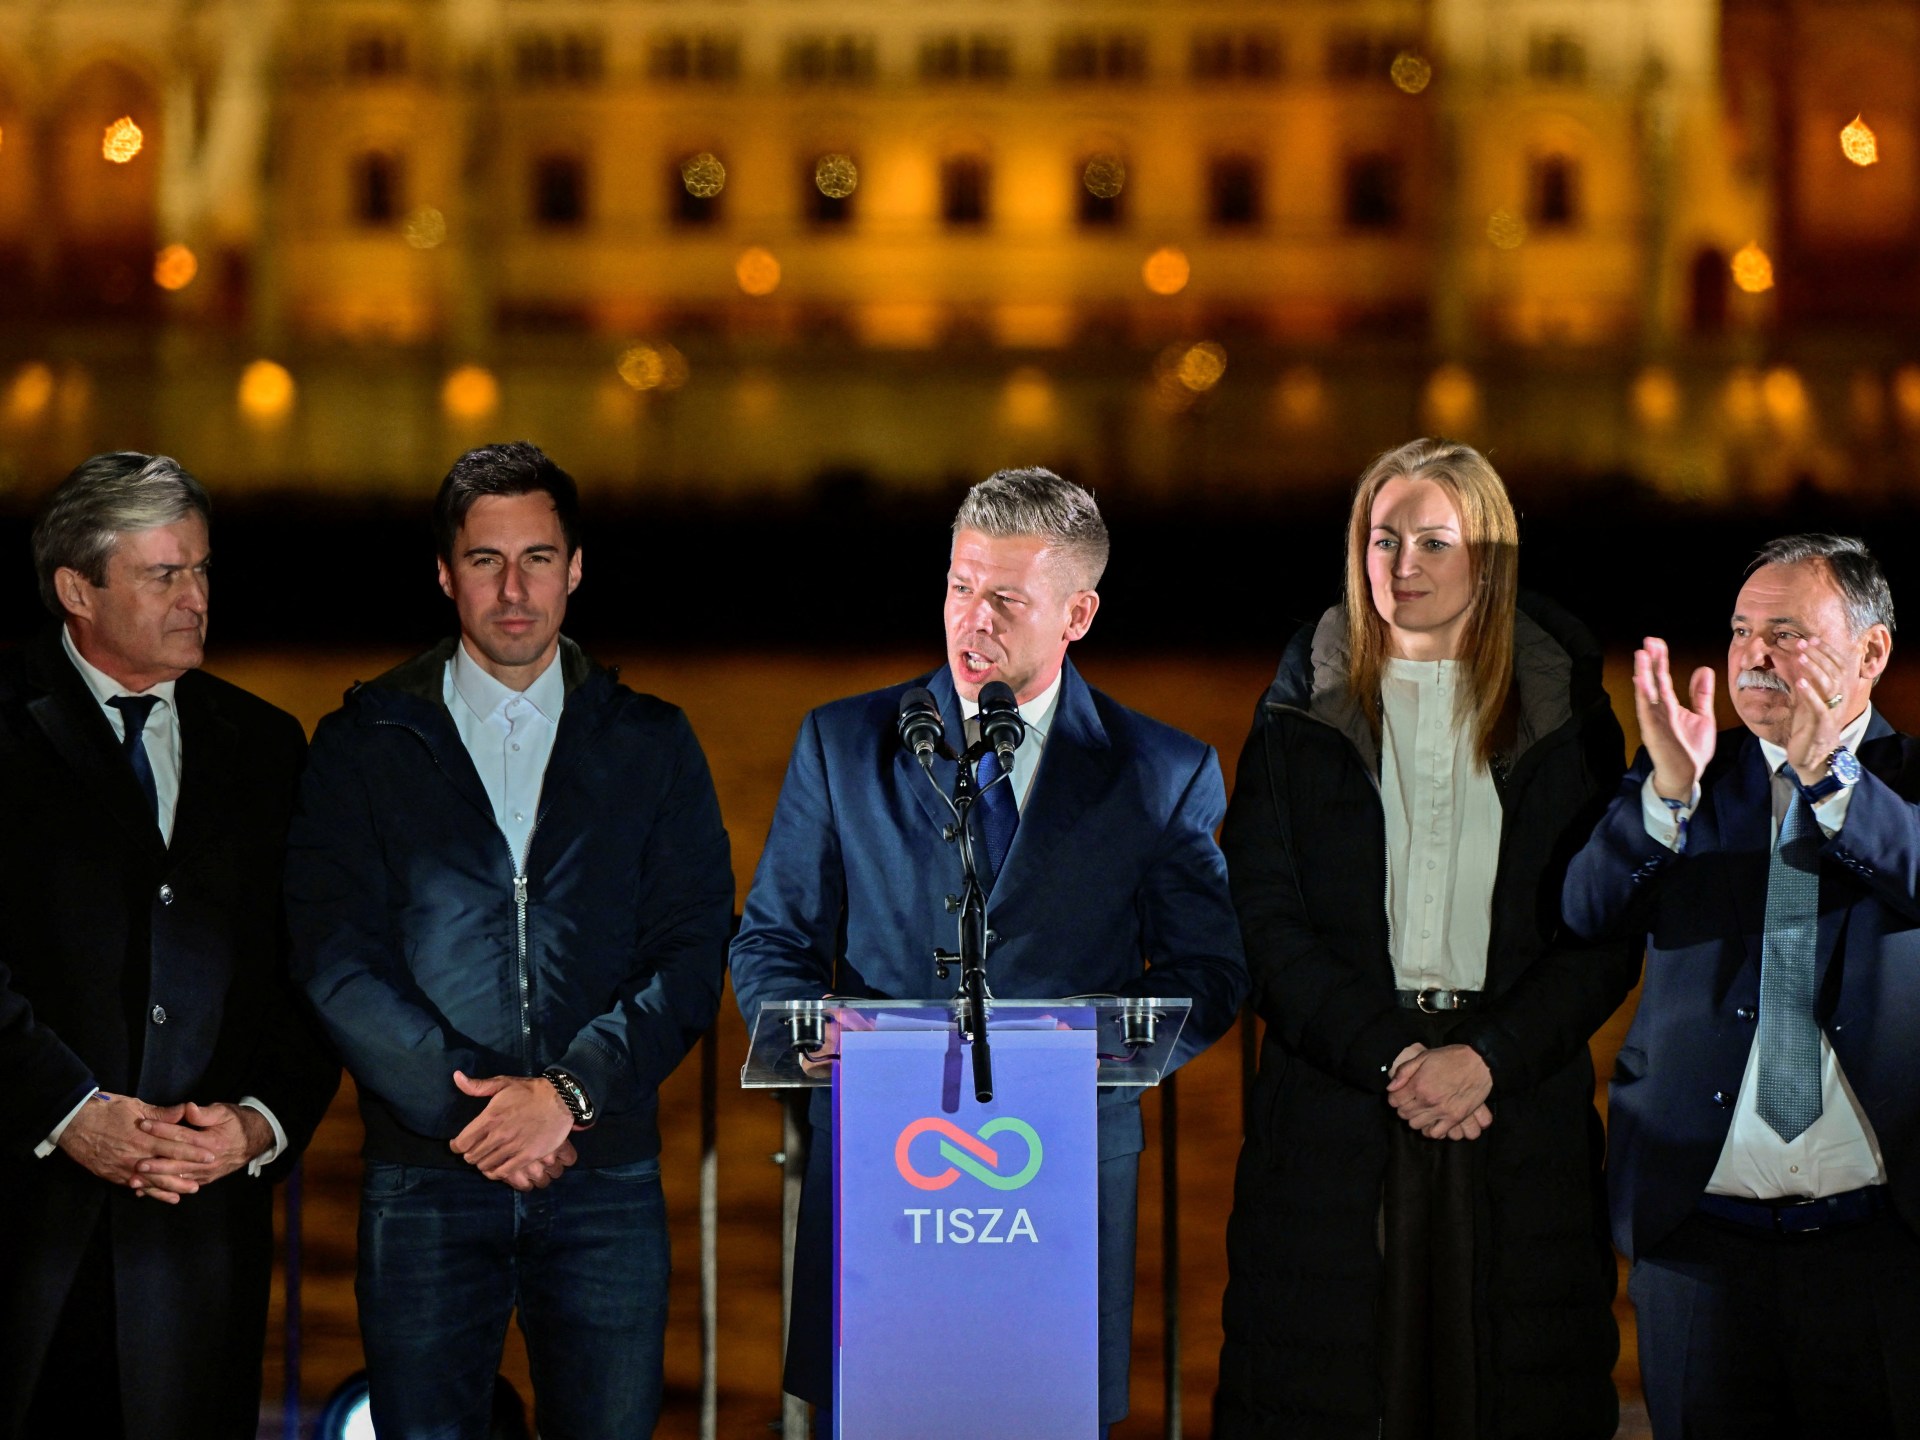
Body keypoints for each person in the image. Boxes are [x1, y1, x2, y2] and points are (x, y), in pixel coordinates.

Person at [729, 466, 1247, 1433]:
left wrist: (1099, 1060)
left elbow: (1209, 972)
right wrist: (805, 1029)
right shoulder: (842, 743)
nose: (975, 621)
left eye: (1007, 599)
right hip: (883, 1169)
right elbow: (772, 939)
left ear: (1078, 613)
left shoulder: (1163, 772)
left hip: (1063, 1179)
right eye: (962, 587)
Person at [285, 441, 733, 1439]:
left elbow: (695, 945)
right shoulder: (363, 743)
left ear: (576, 567)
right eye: (486, 560)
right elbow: (333, 954)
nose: (514, 587)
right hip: (428, 1174)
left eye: (538, 557)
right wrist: (477, 1110)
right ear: (446, 575)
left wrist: (569, 1094)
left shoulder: (651, 741)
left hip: (603, 1172)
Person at [1212, 438, 1635, 1439]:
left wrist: (1487, 1058)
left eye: (1433, 541)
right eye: (1381, 537)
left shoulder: (1568, 717)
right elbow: (1261, 921)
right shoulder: (1297, 713)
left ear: (1487, 558)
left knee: (1519, 1393)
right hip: (1336, 1112)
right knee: (1322, 1398)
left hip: (1515, 1114)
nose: (1401, 565)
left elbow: (1607, 926)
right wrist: (1396, 1054)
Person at [0, 452, 339, 1440]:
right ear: (77, 589)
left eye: (201, 571)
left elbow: (311, 971)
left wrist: (258, 1126)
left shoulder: (268, 745)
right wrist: (69, 1112)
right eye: (164, 576)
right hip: (20, 1231)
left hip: (195, 1256)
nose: (196, 599)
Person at [1563, 533, 1920, 1437]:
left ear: (1871, 652)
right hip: (1700, 1242)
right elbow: (1585, 910)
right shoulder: (1687, 776)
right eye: (1740, 632)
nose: (1754, 656)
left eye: (1787, 632)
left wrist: (1827, 783)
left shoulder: (1907, 786)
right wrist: (1663, 803)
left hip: (1883, 1249)